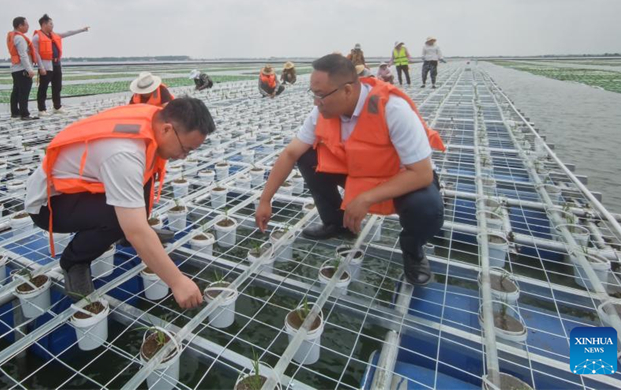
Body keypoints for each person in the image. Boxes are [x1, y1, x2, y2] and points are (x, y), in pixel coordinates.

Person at [254, 54, 445, 286]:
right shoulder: (322, 111)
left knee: (427, 207)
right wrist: (266, 199)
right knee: (307, 156)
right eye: (313, 94)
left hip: (400, 180)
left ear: (347, 90)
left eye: (321, 95)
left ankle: (413, 251)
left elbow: (422, 173)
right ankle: (337, 224)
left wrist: (366, 198)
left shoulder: (392, 108)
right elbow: (290, 153)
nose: (316, 102)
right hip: (360, 173)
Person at [25, 98, 215, 305]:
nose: (184, 156)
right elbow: (136, 230)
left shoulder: (154, 121)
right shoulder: (124, 154)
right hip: (50, 204)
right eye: (185, 149)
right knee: (120, 218)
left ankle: (123, 233)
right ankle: (74, 262)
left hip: (84, 188)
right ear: (167, 129)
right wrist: (177, 281)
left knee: (136, 193)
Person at [32, 15, 89, 116]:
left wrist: (82, 30)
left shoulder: (54, 35)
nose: (52, 25)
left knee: (57, 87)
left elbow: (68, 33)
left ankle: (57, 107)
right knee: (43, 88)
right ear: (44, 24)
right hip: (46, 66)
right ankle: (41, 109)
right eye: (50, 23)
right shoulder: (37, 37)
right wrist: (41, 68)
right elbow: (36, 54)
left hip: (57, 64)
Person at [7, 16, 37, 120]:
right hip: (22, 70)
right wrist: (30, 70)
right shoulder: (19, 38)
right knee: (24, 92)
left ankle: (15, 112)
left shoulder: (12, 36)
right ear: (20, 26)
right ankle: (25, 114)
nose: (28, 26)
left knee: (16, 91)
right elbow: (23, 55)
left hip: (15, 69)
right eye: (26, 24)